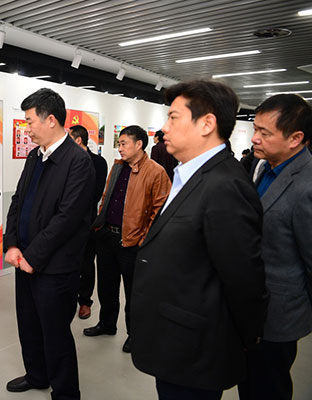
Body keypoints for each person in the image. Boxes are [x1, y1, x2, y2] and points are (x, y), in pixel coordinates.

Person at [129, 80, 267, 399]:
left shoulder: (225, 186)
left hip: (195, 349)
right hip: (175, 340)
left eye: (173, 117)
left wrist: (243, 339)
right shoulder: (188, 175)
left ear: (207, 124)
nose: (164, 128)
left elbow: (244, 280)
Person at [4, 88, 95, 399]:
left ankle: (66, 392)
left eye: (30, 121)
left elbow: (67, 219)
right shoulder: (35, 156)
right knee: (28, 324)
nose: (26, 128)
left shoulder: (78, 161)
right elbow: (18, 201)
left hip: (54, 267)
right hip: (24, 260)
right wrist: (12, 244)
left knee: (55, 333)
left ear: (51, 120)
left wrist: (33, 256)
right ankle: (37, 375)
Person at [238, 94, 312, 400]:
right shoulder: (263, 167)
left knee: (269, 388)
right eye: (255, 129)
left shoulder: (306, 186)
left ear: (295, 138)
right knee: (248, 384)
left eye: (264, 132)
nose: (254, 138)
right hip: (251, 311)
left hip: (279, 317)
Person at [85, 125, 170, 354]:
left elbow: (160, 211)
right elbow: (106, 197)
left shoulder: (156, 172)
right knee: (106, 286)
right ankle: (107, 323)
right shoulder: (117, 167)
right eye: (119, 144)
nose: (120, 148)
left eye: (124, 143)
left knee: (134, 292)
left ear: (139, 144)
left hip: (132, 242)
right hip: (107, 236)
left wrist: (144, 239)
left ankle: (135, 334)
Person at [68, 124, 108, 320]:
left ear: (78, 140)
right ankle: (67, 299)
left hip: (87, 222)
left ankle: (85, 301)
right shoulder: (65, 160)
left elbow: (95, 194)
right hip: (65, 223)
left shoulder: (98, 162)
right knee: (67, 263)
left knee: (86, 263)